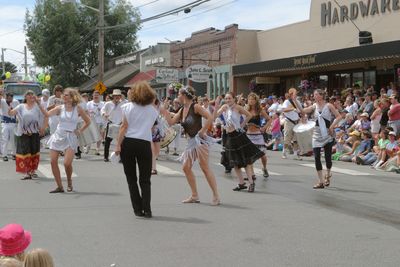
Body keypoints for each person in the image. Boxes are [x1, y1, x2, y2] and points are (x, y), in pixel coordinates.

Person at [162, 86, 220, 204]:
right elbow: (171, 122)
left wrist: (203, 130)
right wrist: (165, 111)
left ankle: (216, 195)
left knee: (204, 167)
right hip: (190, 143)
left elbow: (210, 117)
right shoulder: (182, 109)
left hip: (200, 141)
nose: (177, 96)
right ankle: (194, 195)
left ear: (184, 95)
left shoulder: (196, 107)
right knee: (186, 167)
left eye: (179, 94)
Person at [114, 81, 159, 218]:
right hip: (145, 143)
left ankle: (137, 209)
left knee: (131, 178)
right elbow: (151, 127)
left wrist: (118, 144)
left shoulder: (127, 107)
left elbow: (124, 127)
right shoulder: (153, 110)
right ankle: (148, 209)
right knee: (145, 179)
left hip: (129, 142)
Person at [214, 92, 265, 193]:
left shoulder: (237, 107)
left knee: (245, 161)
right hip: (229, 136)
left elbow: (249, 115)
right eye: (226, 98)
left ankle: (251, 182)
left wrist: (241, 125)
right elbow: (215, 115)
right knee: (234, 162)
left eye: (230, 98)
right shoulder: (224, 107)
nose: (228, 100)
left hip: (238, 135)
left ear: (233, 99)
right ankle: (241, 183)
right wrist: (216, 107)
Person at [45, 88, 91, 193]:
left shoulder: (78, 109)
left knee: (66, 163)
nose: (64, 96)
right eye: (64, 95)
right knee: (53, 161)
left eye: (67, 95)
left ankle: (69, 181)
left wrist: (80, 130)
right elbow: (47, 114)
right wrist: (39, 105)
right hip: (58, 135)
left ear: (72, 97)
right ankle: (59, 186)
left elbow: (88, 121)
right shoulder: (59, 108)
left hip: (71, 137)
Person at [298, 89, 341, 189]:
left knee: (328, 158)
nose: (314, 96)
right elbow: (303, 111)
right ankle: (321, 181)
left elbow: (339, 116)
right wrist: (295, 100)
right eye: (314, 94)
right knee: (317, 157)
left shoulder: (329, 106)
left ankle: (328, 173)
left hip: (327, 134)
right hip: (317, 134)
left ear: (321, 96)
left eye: (316, 94)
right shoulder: (314, 106)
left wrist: (332, 126)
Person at [8, 91, 48, 180]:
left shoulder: (38, 107)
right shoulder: (21, 106)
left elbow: (46, 115)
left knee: (34, 151)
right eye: (29, 94)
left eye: (32, 94)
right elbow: (11, 113)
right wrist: (9, 109)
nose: (31, 96)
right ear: (25, 97)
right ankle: (27, 172)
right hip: (24, 133)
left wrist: (43, 128)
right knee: (25, 152)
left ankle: (33, 171)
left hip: (35, 132)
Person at [245, 92, 271, 178]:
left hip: (258, 134)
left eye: (253, 99)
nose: (251, 101)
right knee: (249, 155)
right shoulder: (246, 109)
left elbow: (269, 119)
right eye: (249, 99)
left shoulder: (260, 110)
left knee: (262, 155)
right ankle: (252, 174)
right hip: (249, 134)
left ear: (256, 101)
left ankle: (264, 168)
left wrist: (264, 128)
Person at [101, 89, 123, 162]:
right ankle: (106, 157)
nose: (117, 97)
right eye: (115, 96)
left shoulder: (123, 104)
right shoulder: (108, 103)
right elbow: (102, 110)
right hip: (111, 123)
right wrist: (104, 114)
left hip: (120, 124)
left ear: (120, 96)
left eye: (118, 96)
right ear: (113, 96)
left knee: (121, 141)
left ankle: (121, 158)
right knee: (108, 141)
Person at [280, 88, 302, 160]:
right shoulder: (287, 101)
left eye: (296, 93)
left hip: (296, 122)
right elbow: (284, 110)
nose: (296, 95)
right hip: (289, 121)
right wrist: (292, 109)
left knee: (296, 138)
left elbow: (301, 111)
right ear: (291, 94)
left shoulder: (298, 102)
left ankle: (295, 154)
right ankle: (284, 152)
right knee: (287, 138)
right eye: (295, 93)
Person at [0, 93, 19, 161]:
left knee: (13, 139)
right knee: (5, 139)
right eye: (8, 98)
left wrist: (18, 119)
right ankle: (4, 155)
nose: (9, 100)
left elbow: (18, 111)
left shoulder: (16, 102)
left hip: (13, 123)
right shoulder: (2, 101)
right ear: (6, 97)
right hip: (5, 123)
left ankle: (14, 154)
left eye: (11, 98)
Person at [86, 91, 105, 155]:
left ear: (99, 96)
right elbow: (85, 112)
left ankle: (97, 149)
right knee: (90, 135)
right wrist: (90, 112)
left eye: (97, 95)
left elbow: (105, 112)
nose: (96, 96)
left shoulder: (103, 104)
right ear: (92, 96)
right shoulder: (89, 103)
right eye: (95, 95)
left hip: (100, 121)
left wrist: (101, 111)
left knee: (99, 136)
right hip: (92, 122)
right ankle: (88, 147)